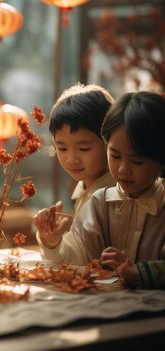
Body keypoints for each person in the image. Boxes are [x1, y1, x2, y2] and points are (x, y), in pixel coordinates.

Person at [38, 91, 165, 289]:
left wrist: (139, 273)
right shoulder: (100, 203)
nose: (123, 169)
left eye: (137, 161)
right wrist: (53, 243)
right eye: (115, 156)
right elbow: (80, 259)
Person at [33, 83, 116, 242]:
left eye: (83, 148)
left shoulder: (112, 196)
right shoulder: (85, 187)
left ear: (110, 142)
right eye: (62, 148)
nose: (71, 159)